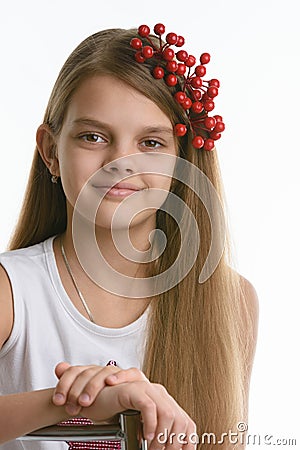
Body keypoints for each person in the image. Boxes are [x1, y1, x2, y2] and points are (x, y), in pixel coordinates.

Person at [0, 23, 258, 450]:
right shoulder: (12, 292)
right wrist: (69, 404)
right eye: (93, 137)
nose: (121, 161)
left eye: (151, 142)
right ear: (50, 151)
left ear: (183, 162)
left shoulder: (232, 303)